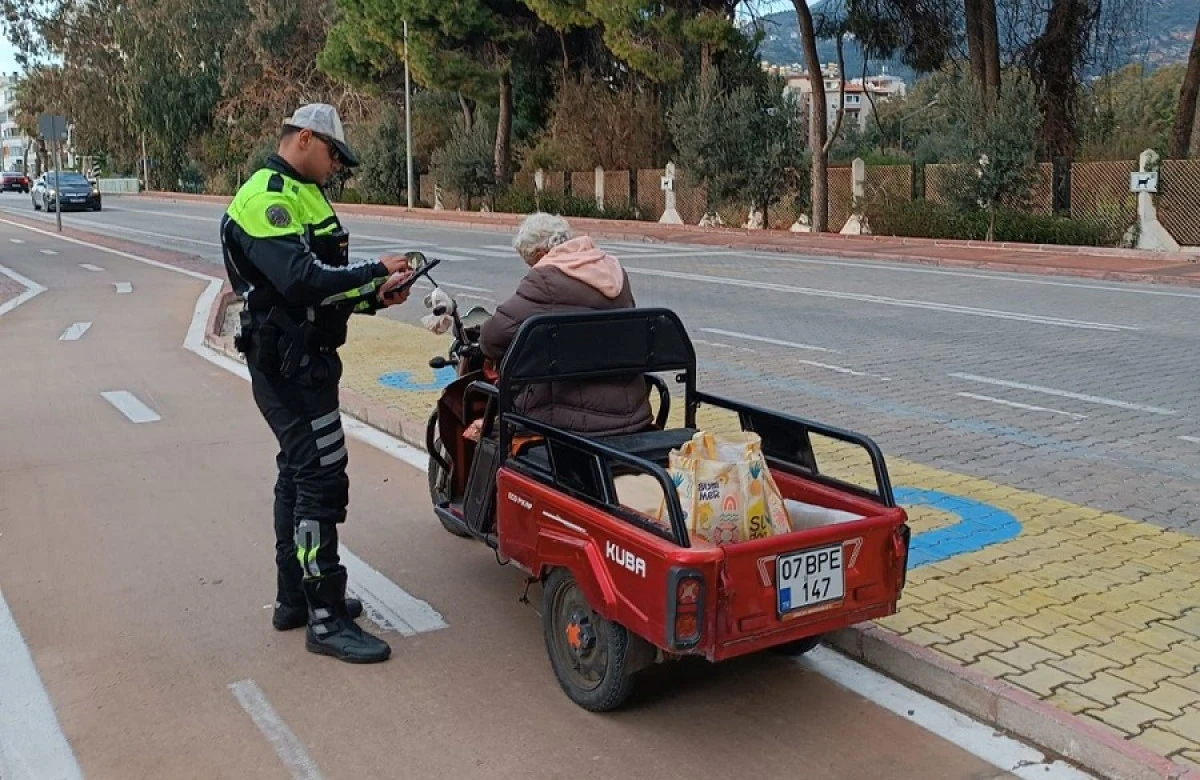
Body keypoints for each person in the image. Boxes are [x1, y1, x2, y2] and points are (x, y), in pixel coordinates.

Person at [220, 103, 414, 664]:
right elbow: (300, 280)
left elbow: (324, 288)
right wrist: (375, 271)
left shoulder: (304, 192)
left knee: (299, 473)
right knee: (320, 481)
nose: (336, 167)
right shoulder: (265, 197)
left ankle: (296, 600)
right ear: (304, 138)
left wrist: (374, 296)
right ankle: (325, 616)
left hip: (306, 357)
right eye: (333, 154)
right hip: (287, 365)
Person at [479, 212, 652, 437]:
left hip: (568, 420)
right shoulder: (612, 269)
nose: (531, 268)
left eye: (530, 262)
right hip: (633, 411)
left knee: (491, 430)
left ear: (541, 254)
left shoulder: (544, 279)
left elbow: (494, 337)